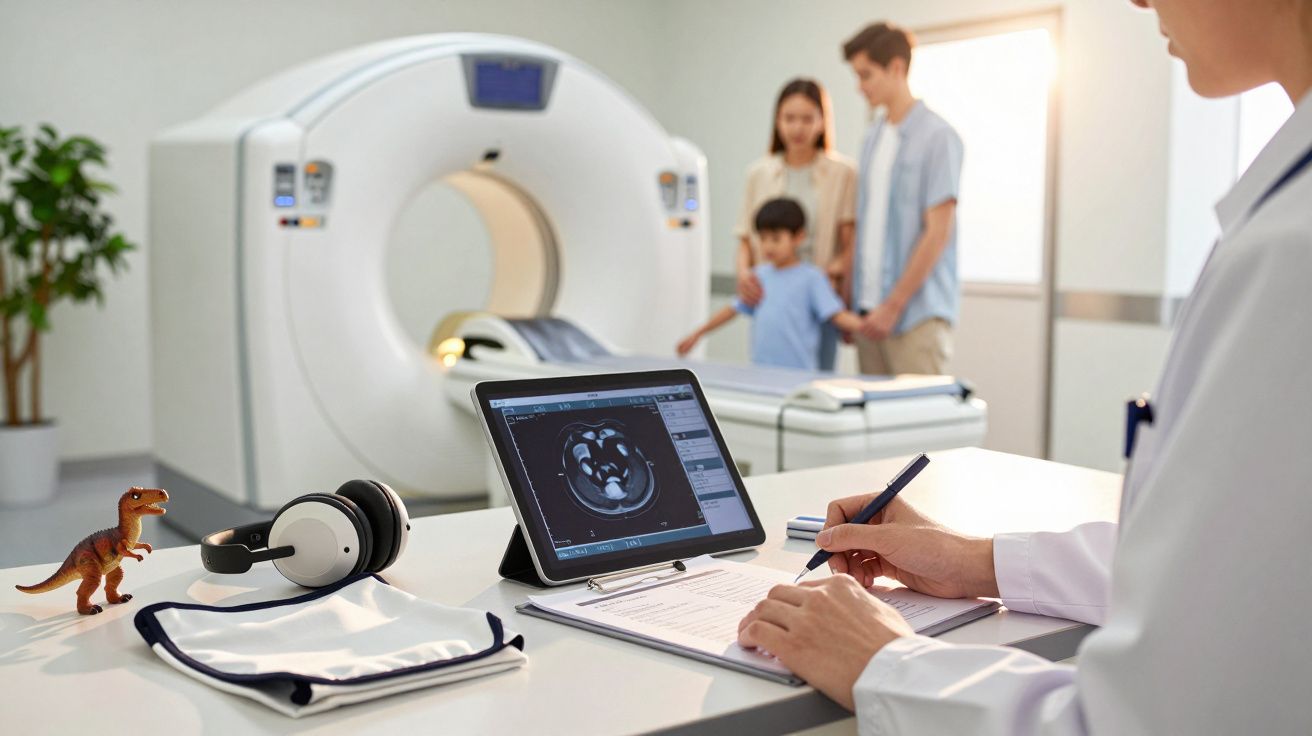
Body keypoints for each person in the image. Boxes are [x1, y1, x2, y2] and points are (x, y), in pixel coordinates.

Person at [737, 1, 1312, 733]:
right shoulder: (1282, 219)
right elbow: (1218, 571)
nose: (1136, 1)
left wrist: (885, 661)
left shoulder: (1294, 253)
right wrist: (973, 560)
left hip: (908, 315)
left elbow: (1148, 718)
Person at [844, 22, 963, 376]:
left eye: (866, 75)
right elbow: (865, 227)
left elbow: (938, 232)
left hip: (915, 318)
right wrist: (854, 304)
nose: (860, 86)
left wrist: (893, 306)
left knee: (919, 427)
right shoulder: (872, 139)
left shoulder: (939, 138)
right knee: (871, 428)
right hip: (868, 316)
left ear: (896, 67)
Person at [734, 79, 858, 371]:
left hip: (818, 296)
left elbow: (849, 242)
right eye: (789, 118)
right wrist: (743, 276)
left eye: (807, 118)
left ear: (822, 122)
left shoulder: (843, 173)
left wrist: (837, 278)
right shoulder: (758, 173)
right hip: (773, 296)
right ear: (777, 121)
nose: (797, 128)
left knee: (819, 379)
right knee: (767, 372)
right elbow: (744, 236)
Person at [680, 198, 867, 371]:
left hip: (799, 375)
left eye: (776, 239)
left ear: (798, 237)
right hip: (761, 371)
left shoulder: (812, 278)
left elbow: (837, 315)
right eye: (763, 238)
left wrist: (868, 327)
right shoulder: (759, 276)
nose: (768, 246)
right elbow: (732, 310)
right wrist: (698, 333)